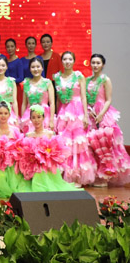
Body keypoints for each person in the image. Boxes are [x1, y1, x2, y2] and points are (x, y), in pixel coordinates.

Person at [86, 54, 130, 186]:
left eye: (98, 63)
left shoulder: (106, 79)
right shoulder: (87, 80)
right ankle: (96, 176)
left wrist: (101, 114)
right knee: (92, 145)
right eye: (93, 62)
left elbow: (108, 99)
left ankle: (106, 176)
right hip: (90, 113)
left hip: (103, 112)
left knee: (105, 144)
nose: (95, 65)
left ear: (103, 65)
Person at [53, 51, 95, 186]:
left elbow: (83, 97)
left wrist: (86, 115)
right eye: (65, 59)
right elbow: (58, 99)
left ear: (74, 61)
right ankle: (65, 176)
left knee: (77, 143)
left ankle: (77, 176)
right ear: (62, 61)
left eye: (70, 59)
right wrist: (57, 116)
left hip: (77, 111)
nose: (67, 62)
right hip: (64, 112)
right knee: (65, 144)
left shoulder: (79, 76)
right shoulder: (57, 77)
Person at [20, 57, 55, 133]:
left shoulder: (47, 82)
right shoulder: (26, 83)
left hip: (44, 115)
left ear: (42, 68)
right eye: (33, 67)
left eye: (38, 67)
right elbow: (24, 104)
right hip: (30, 115)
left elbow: (52, 103)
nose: (36, 69)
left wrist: (51, 120)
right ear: (30, 69)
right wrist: (22, 120)